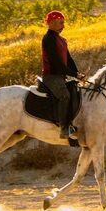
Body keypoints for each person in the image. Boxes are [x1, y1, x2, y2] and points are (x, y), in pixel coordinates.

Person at [42, 11, 81, 140]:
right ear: (52, 23)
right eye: (61, 22)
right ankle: (64, 128)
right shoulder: (48, 39)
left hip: (61, 76)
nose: (63, 25)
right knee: (64, 96)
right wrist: (74, 74)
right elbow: (57, 63)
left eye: (63, 22)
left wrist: (78, 74)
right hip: (51, 76)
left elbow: (68, 59)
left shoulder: (62, 40)